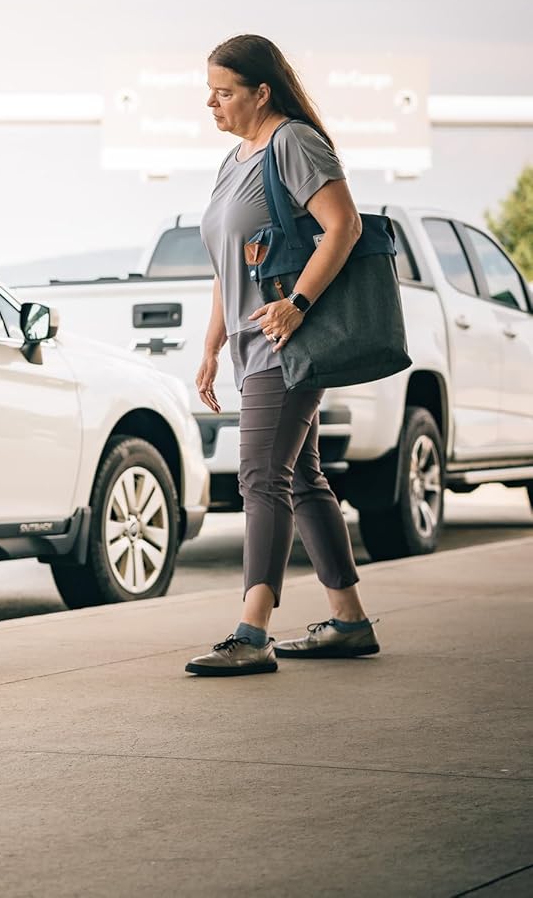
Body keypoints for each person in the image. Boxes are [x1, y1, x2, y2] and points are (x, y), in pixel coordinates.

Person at [186, 34, 379, 677]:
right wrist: (212, 344)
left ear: (262, 92)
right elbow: (228, 263)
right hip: (250, 346)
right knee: (300, 477)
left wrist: (296, 303)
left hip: (288, 344)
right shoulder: (234, 159)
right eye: (210, 91)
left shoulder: (292, 142)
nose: (211, 103)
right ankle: (349, 620)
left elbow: (344, 224)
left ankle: (253, 632)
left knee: (261, 477)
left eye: (224, 92)